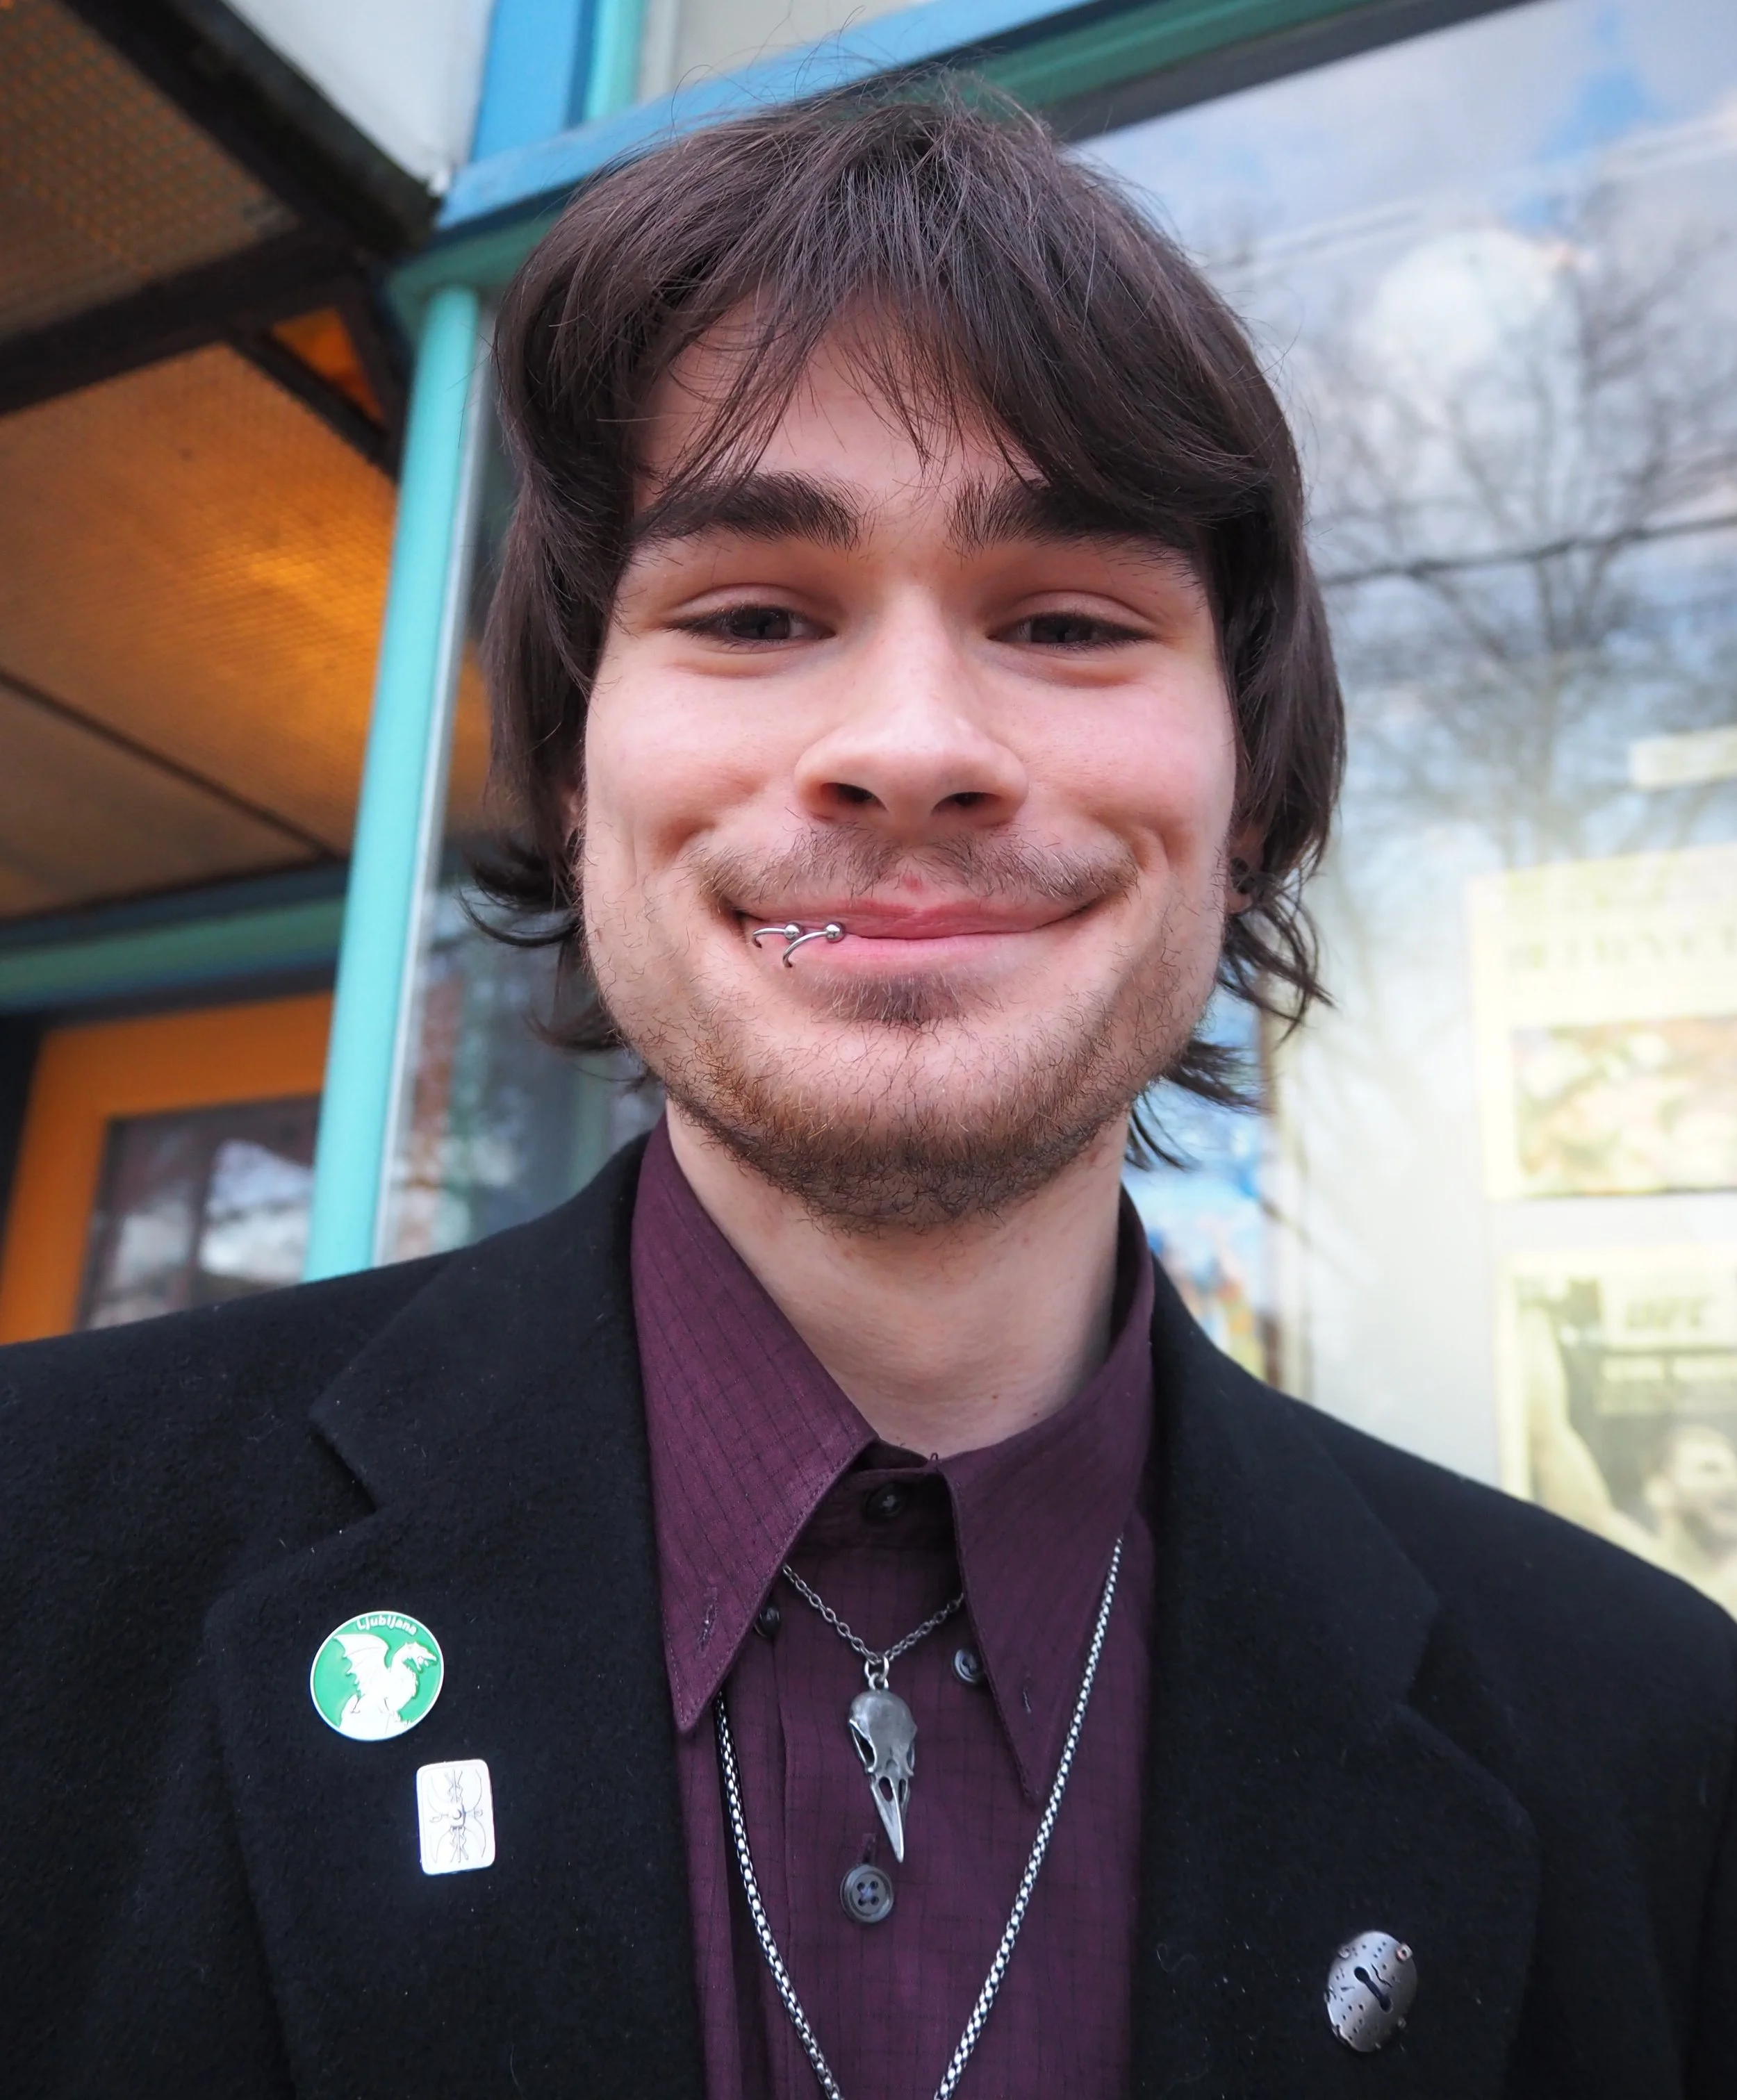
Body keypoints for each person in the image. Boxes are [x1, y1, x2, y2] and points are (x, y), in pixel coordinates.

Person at [2, 88, 1733, 2100]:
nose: (911, 744)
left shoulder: (1654, 1738)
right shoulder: (40, 1560)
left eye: (1067, 620)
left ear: (1248, 795)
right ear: (573, 777)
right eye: (753, 614)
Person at [1522, 1303, 1737, 1615]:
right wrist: (1534, 1315)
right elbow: (1545, 1432)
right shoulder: (1631, 1562)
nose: (1732, 1483)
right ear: (1659, 1490)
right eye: (1710, 1470)